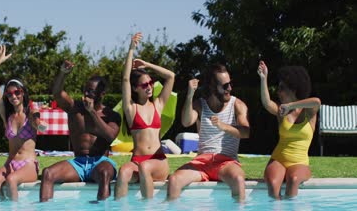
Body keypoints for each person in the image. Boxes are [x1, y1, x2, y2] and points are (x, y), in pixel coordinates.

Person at [39, 60, 121, 202]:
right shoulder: (74, 108)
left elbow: (110, 136)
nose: (87, 94)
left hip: (100, 161)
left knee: (105, 174)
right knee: (47, 173)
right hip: (78, 163)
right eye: (86, 90)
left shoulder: (111, 115)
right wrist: (63, 74)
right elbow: (57, 93)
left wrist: (92, 112)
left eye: (92, 91)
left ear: (102, 94)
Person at [167, 63, 250, 201]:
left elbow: (246, 132)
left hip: (226, 162)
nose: (229, 88)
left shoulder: (237, 105)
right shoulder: (200, 104)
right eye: (225, 86)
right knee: (174, 180)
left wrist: (223, 126)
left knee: (239, 180)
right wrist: (189, 95)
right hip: (202, 163)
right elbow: (186, 122)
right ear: (212, 87)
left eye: (230, 84)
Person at [114, 32, 175, 200]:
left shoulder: (158, 105)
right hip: (138, 161)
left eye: (150, 83)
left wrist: (147, 64)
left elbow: (171, 76)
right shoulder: (131, 109)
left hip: (158, 161)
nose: (149, 87)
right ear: (135, 88)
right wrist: (131, 49)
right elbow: (125, 79)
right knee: (124, 171)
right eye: (144, 84)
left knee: (145, 167)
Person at [257, 61, 320, 199]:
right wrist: (263, 78)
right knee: (273, 185)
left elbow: (317, 101)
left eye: (281, 88)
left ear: (293, 89)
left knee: (294, 179)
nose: (278, 92)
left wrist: (291, 105)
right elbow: (267, 103)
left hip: (299, 162)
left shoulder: (308, 112)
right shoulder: (281, 111)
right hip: (278, 159)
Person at [0, 45, 45, 201]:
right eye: (9, 93)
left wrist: (40, 125)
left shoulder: (31, 112)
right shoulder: (7, 115)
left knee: (11, 180)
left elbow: (39, 123)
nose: (13, 96)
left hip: (28, 165)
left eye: (17, 92)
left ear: (23, 93)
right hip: (10, 162)